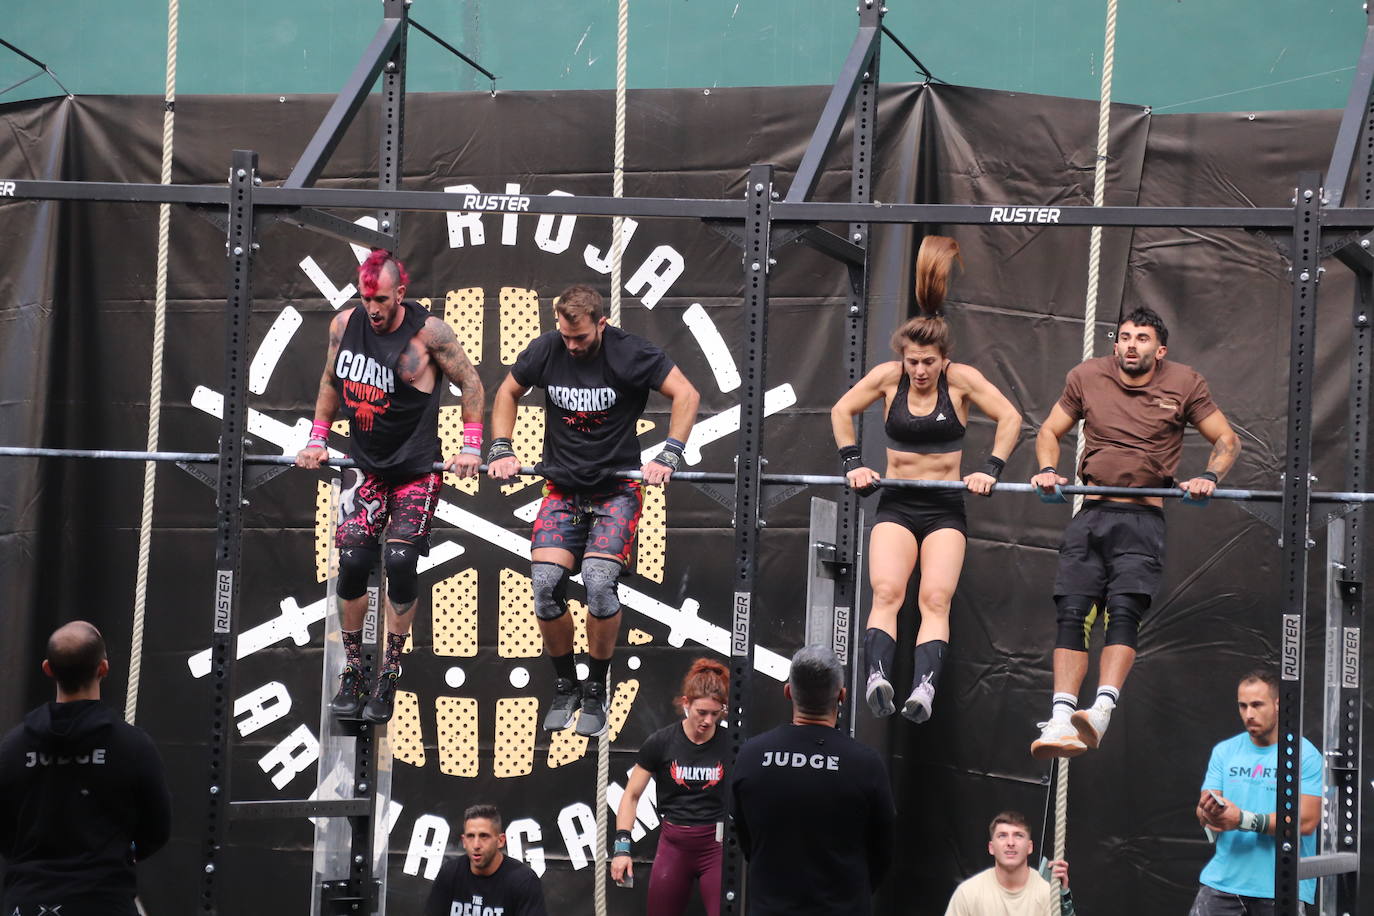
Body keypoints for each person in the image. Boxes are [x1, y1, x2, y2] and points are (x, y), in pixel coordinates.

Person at [487, 284, 700, 738]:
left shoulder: (631, 354)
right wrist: (502, 447)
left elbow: (687, 394)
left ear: (601, 324)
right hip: (562, 489)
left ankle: (597, 687)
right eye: (565, 335)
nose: (571, 345)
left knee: (600, 584)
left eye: (579, 337)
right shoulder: (548, 349)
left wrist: (669, 454)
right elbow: (507, 392)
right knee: (545, 587)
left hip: (616, 490)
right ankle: (565, 683)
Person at [1029, 306, 1240, 758]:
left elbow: (1227, 440)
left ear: (1159, 350)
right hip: (1091, 514)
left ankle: (1101, 711)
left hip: (1142, 519)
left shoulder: (1185, 382)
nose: (1130, 344)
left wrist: (1210, 477)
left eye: (1142, 338)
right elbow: (1049, 429)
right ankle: (1063, 718)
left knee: (1122, 613)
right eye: (1124, 336)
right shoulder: (1087, 375)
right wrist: (1047, 469)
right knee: (1073, 613)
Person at [831, 236, 1022, 723]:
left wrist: (991, 469)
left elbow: (1011, 418)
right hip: (896, 501)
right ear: (903, 357)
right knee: (888, 593)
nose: (919, 371)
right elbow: (841, 410)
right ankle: (878, 678)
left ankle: (923, 689)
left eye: (928, 363)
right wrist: (853, 463)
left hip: (945, 508)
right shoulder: (887, 377)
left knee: (935, 598)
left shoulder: (962, 380)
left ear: (943, 359)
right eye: (912, 362)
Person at [296, 249, 485, 724]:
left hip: (416, 471)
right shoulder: (344, 326)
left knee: (399, 562)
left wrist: (472, 447)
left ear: (401, 293)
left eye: (381, 299)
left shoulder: (430, 334)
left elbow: (472, 384)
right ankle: (355, 672)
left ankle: (389, 673)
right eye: (366, 299)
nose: (373, 309)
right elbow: (329, 381)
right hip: (366, 466)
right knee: (354, 559)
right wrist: (317, 438)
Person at [0, 621, 172, 916]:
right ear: (103, 668)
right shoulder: (132, 746)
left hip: (26, 903)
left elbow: (3, 831)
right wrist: (118, 854)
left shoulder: (13, 747)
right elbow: (157, 829)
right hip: (102, 902)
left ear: (48, 669)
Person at [730, 646, 895, 915]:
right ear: (842, 696)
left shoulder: (751, 755)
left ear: (788, 692)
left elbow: (745, 835)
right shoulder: (866, 764)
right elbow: (883, 849)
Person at [1190, 671, 1321, 915]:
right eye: (1243, 706)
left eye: (1257, 705)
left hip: (1279, 887)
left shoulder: (1305, 755)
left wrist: (1242, 819)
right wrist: (1209, 815)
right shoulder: (1225, 751)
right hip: (1222, 883)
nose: (1249, 714)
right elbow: (1204, 807)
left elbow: (1306, 821)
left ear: (1278, 704)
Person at [611, 658, 730, 915]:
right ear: (686, 704)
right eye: (702, 712)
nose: (708, 720)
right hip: (674, 846)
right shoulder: (661, 742)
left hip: (717, 847)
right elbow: (631, 795)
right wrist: (622, 848)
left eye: (715, 713)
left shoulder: (731, 744)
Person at [426, 804, 547, 916]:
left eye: (484, 836)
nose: (476, 845)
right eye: (470, 836)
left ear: (500, 841)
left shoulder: (524, 880)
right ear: (463, 841)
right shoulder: (449, 873)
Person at [944, 811, 1074, 916]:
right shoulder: (968, 893)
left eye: (1018, 835)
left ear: (1030, 847)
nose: (1010, 843)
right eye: (1002, 836)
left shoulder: (1046, 893)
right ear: (991, 847)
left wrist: (1063, 896)